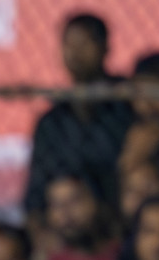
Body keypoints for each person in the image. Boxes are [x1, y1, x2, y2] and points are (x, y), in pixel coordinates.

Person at [23, 14, 133, 223]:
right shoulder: (52, 121)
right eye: (69, 44)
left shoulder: (126, 104)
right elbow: (35, 192)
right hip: (66, 222)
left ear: (105, 48)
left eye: (84, 43)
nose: (76, 52)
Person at [42, 172, 118, 260]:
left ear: (95, 201)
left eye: (75, 200)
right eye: (57, 205)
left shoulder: (124, 256)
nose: (66, 212)